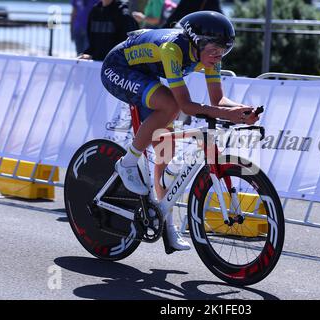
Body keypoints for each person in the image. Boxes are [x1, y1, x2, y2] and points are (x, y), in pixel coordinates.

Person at [100, 11, 259, 253]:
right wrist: (227, 114)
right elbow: (185, 105)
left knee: (166, 149)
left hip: (147, 74)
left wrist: (241, 109)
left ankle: (166, 224)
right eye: (215, 48)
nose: (219, 55)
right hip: (118, 68)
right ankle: (128, 162)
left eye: (224, 50)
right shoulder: (172, 49)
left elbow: (218, 99)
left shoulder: (210, 58)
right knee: (171, 105)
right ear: (197, 41)